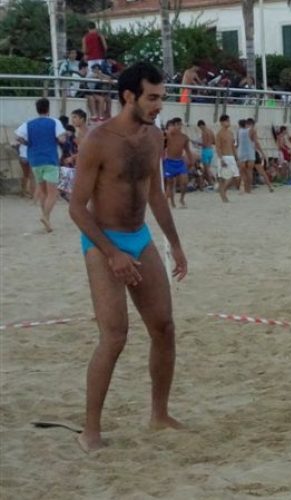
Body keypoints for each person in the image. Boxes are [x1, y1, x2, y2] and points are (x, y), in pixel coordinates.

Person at [68, 62, 188, 453]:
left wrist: (175, 243)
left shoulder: (153, 137)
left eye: (161, 97)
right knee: (115, 336)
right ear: (128, 96)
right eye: (152, 97)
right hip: (102, 240)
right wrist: (111, 252)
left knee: (164, 327)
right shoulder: (99, 140)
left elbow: (154, 195)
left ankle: (159, 413)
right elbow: (76, 208)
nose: (159, 105)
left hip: (139, 237)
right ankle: (90, 430)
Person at [15, 98, 67, 232]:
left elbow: (18, 137)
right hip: (50, 159)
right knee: (53, 193)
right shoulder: (54, 122)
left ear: (37, 109)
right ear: (48, 109)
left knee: (43, 191)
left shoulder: (28, 123)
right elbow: (62, 138)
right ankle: (46, 216)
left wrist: (28, 143)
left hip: (34, 159)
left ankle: (47, 221)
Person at [162, 118, 194, 208]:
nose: (179, 127)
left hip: (180, 162)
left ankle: (182, 199)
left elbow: (188, 150)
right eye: (177, 125)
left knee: (185, 181)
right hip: (169, 162)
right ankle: (172, 201)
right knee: (170, 183)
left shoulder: (184, 137)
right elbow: (161, 144)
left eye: (180, 124)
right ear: (173, 126)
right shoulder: (168, 135)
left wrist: (191, 161)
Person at [215, 115, 239, 202]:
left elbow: (233, 146)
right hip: (224, 157)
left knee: (235, 177)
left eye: (229, 121)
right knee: (225, 178)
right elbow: (218, 148)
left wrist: (236, 157)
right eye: (226, 121)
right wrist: (221, 159)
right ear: (221, 122)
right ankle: (223, 195)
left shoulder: (231, 133)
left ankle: (222, 192)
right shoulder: (219, 134)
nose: (228, 122)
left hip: (231, 157)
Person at [196, 119, 216, 186]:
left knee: (207, 169)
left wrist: (198, 143)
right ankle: (206, 182)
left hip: (205, 151)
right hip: (211, 151)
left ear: (201, 125)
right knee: (207, 168)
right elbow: (214, 142)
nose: (200, 129)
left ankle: (211, 183)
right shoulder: (211, 131)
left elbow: (204, 144)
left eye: (200, 127)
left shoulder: (204, 132)